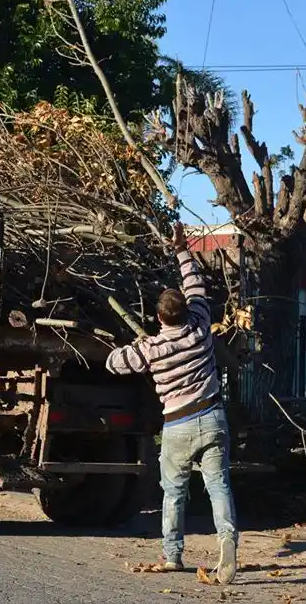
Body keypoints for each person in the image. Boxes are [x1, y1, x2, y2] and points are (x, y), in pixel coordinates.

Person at [105, 221, 238, 585]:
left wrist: (134, 345)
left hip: (177, 425)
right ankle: (227, 541)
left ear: (159, 317)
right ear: (186, 310)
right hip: (212, 417)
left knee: (174, 490)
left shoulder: (153, 349)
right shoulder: (200, 326)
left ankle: (173, 554)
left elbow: (113, 363)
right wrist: (181, 249)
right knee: (218, 485)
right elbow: (195, 282)